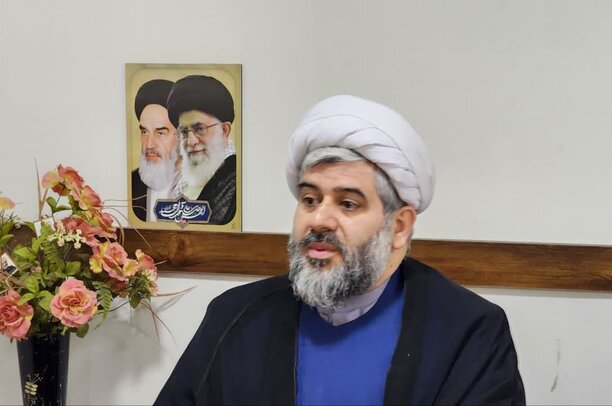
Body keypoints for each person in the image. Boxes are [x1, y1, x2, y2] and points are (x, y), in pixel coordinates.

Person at [155, 95, 525, 405]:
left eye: (348, 204)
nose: (319, 220)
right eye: (310, 199)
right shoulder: (234, 316)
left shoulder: (469, 330)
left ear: (398, 227)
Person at [166, 75, 237, 225]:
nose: (191, 141)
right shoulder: (181, 182)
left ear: (224, 130)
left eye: (199, 129)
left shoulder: (235, 180)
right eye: (184, 132)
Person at [131, 79, 181, 221]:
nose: (149, 145)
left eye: (160, 133)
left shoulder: (205, 186)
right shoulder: (131, 183)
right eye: (144, 132)